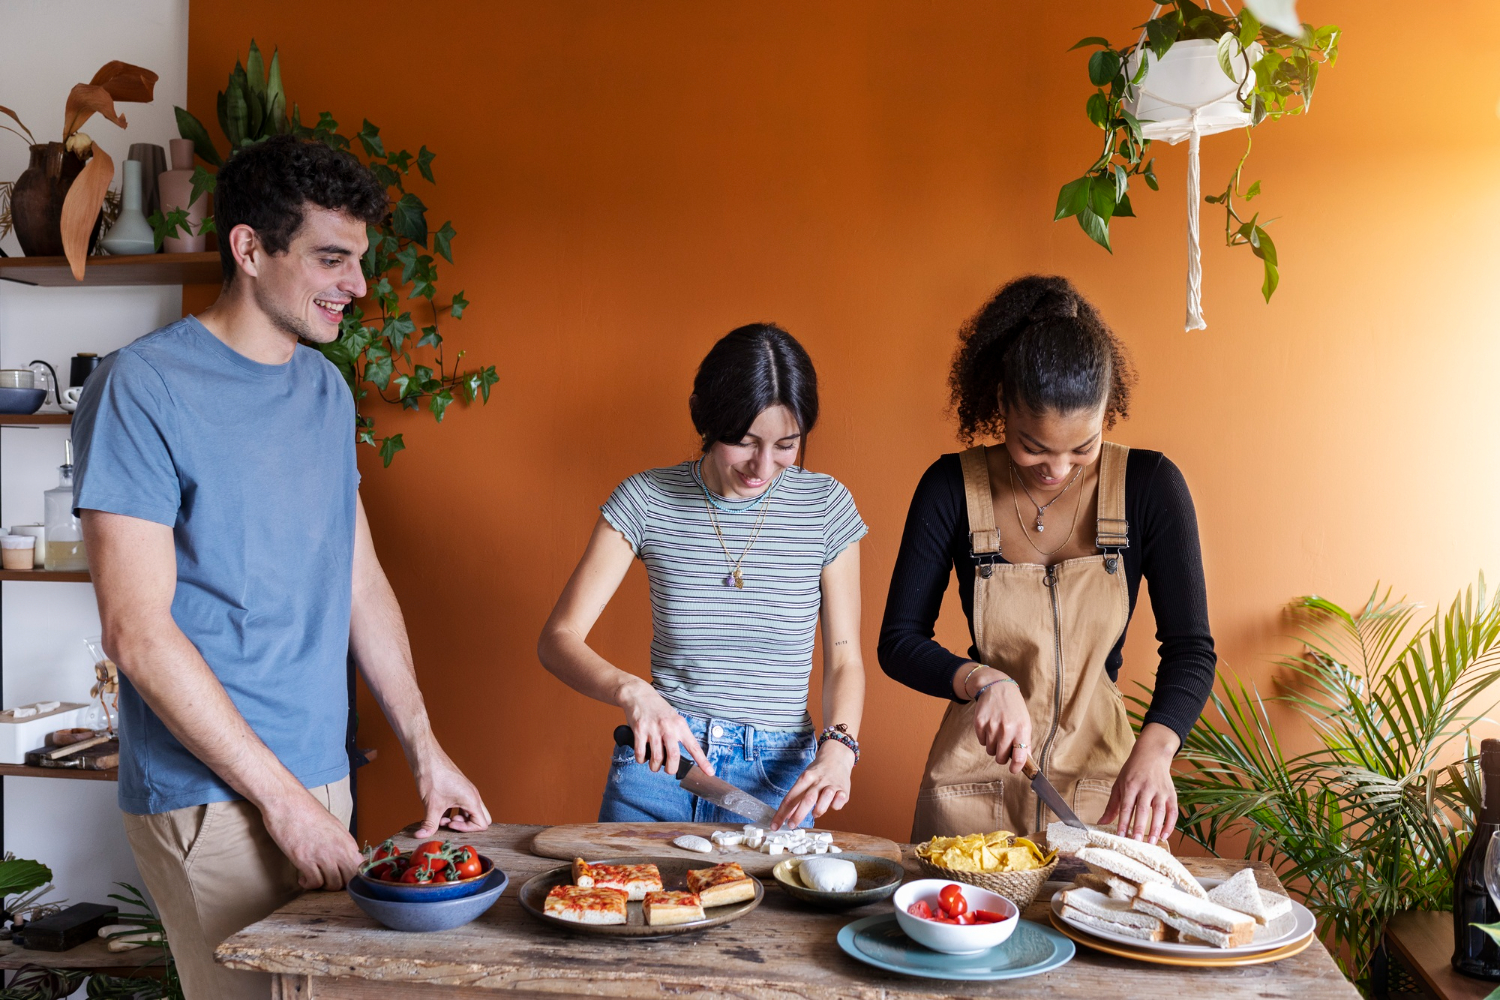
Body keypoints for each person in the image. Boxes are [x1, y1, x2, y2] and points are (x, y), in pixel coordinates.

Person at [72, 135, 490, 1000]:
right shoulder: (141, 387)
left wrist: (426, 750)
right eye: (332, 258)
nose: (359, 286)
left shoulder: (325, 390)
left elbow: (357, 580)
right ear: (251, 249)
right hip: (212, 793)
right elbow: (136, 632)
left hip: (320, 775)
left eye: (361, 260)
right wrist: (282, 802)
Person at [878, 275, 1215, 844]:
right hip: (971, 792)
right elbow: (899, 640)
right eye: (1032, 446)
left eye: (1083, 447)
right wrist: (979, 679)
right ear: (1002, 405)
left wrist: (1156, 751)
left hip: (1103, 794)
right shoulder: (949, 487)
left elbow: (1191, 649)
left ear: (1107, 411)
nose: (1057, 469)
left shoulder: (1151, 486)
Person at [538, 324, 866, 830]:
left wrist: (839, 747)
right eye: (744, 441)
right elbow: (557, 640)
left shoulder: (826, 506)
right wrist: (635, 693)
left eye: (787, 445)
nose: (762, 466)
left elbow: (844, 659)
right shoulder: (646, 499)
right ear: (706, 418)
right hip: (662, 768)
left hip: (778, 779)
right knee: (618, 904)